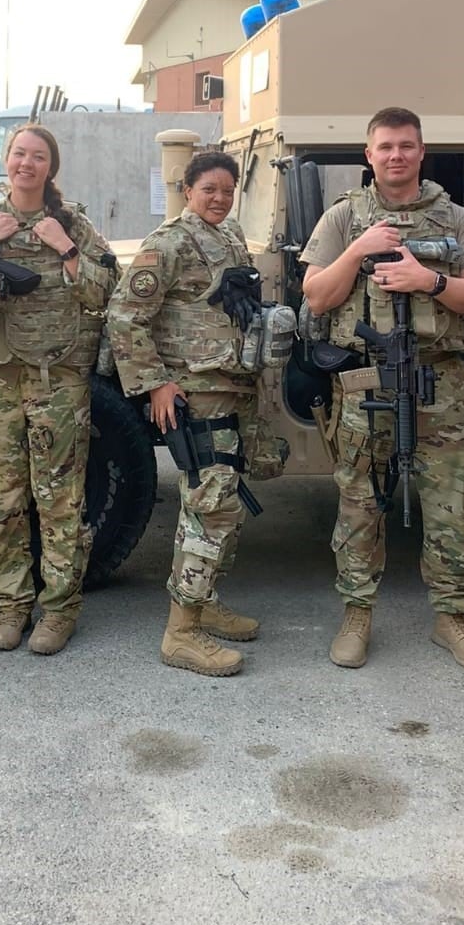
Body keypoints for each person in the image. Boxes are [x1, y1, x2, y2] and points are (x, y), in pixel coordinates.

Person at [301, 107, 464, 671]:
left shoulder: (453, 218)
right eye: (385, 146)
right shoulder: (344, 217)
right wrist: (359, 250)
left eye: (406, 146)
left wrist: (428, 280)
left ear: (420, 152)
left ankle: (451, 617)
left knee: (451, 506)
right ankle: (358, 612)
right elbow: (315, 295)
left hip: (441, 380)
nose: (395, 155)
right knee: (360, 502)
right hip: (367, 380)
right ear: (369, 155)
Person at [0, 124, 116, 656]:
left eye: (38, 157)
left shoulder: (72, 222)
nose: (26, 164)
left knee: (60, 499)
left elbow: (106, 293)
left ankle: (58, 610)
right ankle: (9, 606)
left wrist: (66, 249)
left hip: (57, 382)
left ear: (50, 168)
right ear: (5, 162)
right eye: (18, 155)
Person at [108, 150, 283, 678]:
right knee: (210, 507)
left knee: (221, 502)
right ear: (189, 190)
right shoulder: (168, 244)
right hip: (196, 392)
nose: (219, 198)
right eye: (209, 189)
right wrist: (155, 383)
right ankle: (181, 632)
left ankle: (203, 601)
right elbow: (125, 316)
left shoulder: (228, 240)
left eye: (228, 191)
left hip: (234, 388)